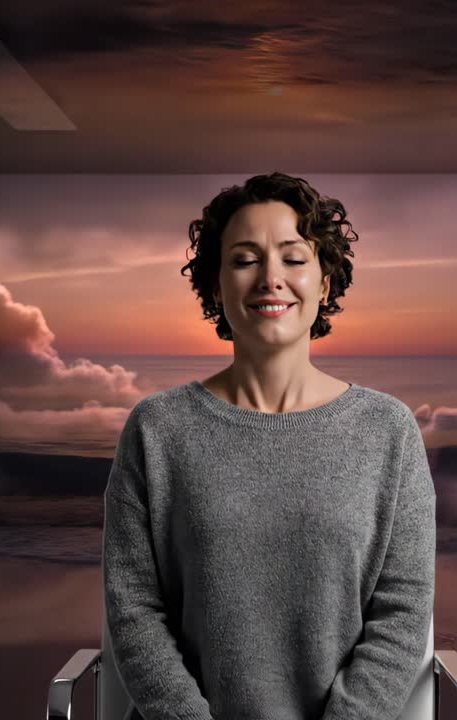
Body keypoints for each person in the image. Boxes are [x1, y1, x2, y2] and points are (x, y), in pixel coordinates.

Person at [102, 171, 436, 720]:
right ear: (215, 285)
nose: (270, 278)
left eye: (294, 257)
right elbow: (134, 610)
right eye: (244, 259)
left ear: (324, 282)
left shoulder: (388, 431)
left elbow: (401, 616)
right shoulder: (157, 429)